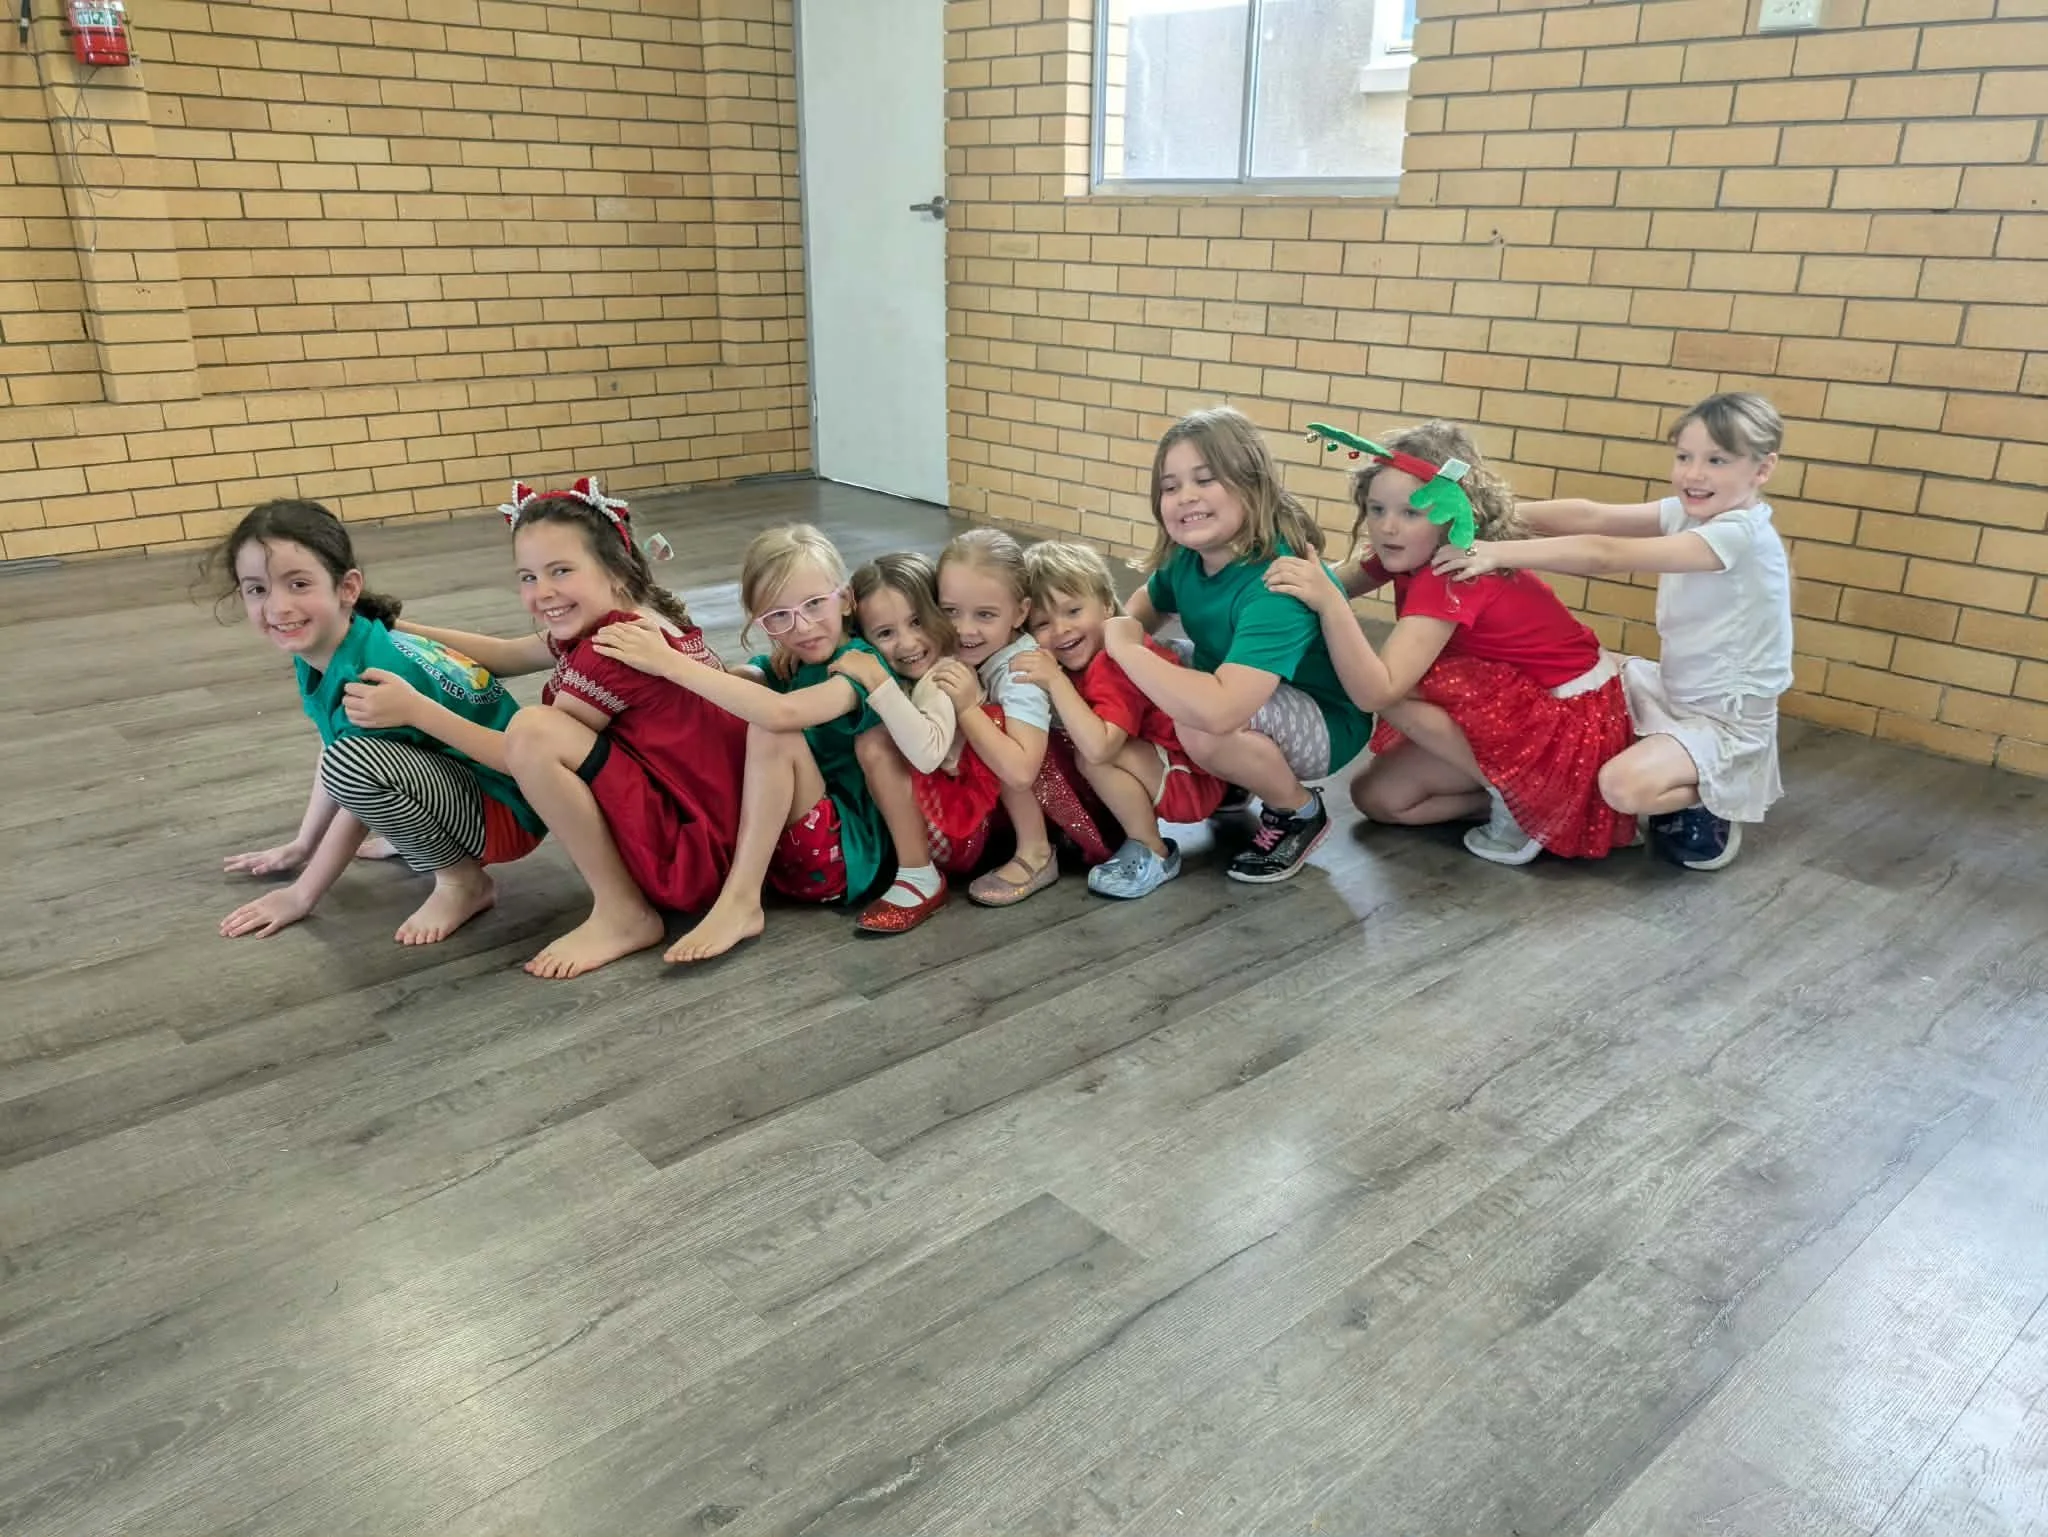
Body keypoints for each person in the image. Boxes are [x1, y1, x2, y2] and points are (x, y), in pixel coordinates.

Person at [401, 477, 748, 978]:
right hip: (715, 828)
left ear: (614, 570)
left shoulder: (613, 648)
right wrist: (396, 626)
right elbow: (503, 654)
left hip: (695, 855)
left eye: (560, 571)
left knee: (537, 730)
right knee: (539, 730)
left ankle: (623, 913)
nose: (542, 592)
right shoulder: (626, 613)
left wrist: (415, 709)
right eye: (527, 577)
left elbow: (521, 755)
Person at [1436, 391, 1793, 870]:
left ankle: (1714, 795)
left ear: (1762, 469)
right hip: (1676, 689)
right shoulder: (1689, 512)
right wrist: (1496, 516)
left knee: (1621, 787)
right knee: (1583, 683)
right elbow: (1593, 516)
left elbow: (1607, 554)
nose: (1693, 473)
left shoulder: (1739, 534)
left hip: (1726, 720)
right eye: (1684, 456)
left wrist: (1497, 552)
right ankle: (1655, 762)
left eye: (1717, 460)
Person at [1268, 420, 1636, 865]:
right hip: (1522, 703)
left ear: (1451, 515)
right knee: (1378, 798)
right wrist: (1266, 587)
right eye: (1376, 508)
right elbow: (1334, 582)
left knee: (1388, 684)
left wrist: (1329, 604)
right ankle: (1546, 804)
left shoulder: (1450, 573)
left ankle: (1520, 798)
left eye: (1411, 512)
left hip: (1569, 718)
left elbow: (1375, 690)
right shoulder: (1412, 548)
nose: (1388, 527)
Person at [591, 523, 945, 960]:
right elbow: (748, 679)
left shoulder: (859, 665)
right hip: (782, 847)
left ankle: (741, 902)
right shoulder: (792, 661)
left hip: (842, 859)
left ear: (847, 599)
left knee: (770, 728)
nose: (803, 626)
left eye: (816, 604)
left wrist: (669, 664)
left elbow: (784, 714)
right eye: (778, 616)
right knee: (728, 708)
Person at [211, 499, 542, 945]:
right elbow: (338, 748)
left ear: (347, 588)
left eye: (298, 583)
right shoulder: (332, 643)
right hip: (474, 787)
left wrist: (302, 894)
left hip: (508, 809)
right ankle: (414, 830)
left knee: (357, 765)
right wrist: (302, 846)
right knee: (353, 760)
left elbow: (353, 770)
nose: (278, 606)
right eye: (257, 589)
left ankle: (463, 880)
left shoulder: (367, 673)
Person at [1103, 406, 1372, 884]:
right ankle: (1234, 774)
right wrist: (1120, 632)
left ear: (1252, 484)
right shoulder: (1189, 557)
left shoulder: (1276, 582)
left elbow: (1221, 710)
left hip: (1326, 722)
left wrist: (1127, 650)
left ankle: (1297, 810)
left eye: (1205, 480)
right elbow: (1150, 600)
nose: (1185, 496)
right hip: (1249, 693)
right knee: (1167, 676)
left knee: (1200, 724)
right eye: (1170, 486)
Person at [1017, 540, 1226, 898]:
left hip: (1190, 780)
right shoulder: (1085, 659)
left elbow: (1101, 748)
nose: (1062, 629)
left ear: (1105, 605)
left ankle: (1152, 850)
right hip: (1169, 764)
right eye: (1043, 623)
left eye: (1072, 611)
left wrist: (1053, 680)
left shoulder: (1113, 662)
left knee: (1092, 755)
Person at [840, 550, 1004, 876]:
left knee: (872, 740)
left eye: (917, 622)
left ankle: (914, 871)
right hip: (933, 809)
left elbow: (928, 755)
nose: (908, 643)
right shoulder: (911, 675)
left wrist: (876, 678)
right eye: (885, 633)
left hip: (958, 828)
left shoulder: (945, 675)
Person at [930, 527, 1064, 906]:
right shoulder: (968, 646)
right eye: (949, 611)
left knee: (991, 718)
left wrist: (969, 710)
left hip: (1056, 789)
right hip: (1008, 783)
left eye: (985, 615)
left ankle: (1037, 851)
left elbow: (1022, 771)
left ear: (1020, 612)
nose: (964, 629)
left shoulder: (1021, 670)